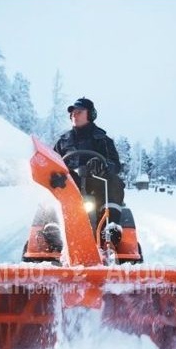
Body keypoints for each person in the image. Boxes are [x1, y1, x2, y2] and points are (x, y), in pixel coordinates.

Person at [53, 97, 125, 246]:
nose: (74, 115)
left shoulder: (103, 140)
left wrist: (103, 166)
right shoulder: (63, 142)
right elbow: (52, 161)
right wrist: (55, 174)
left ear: (91, 115)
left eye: (79, 112)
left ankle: (109, 228)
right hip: (71, 184)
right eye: (73, 112)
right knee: (51, 185)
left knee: (115, 182)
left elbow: (116, 165)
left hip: (96, 184)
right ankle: (53, 227)